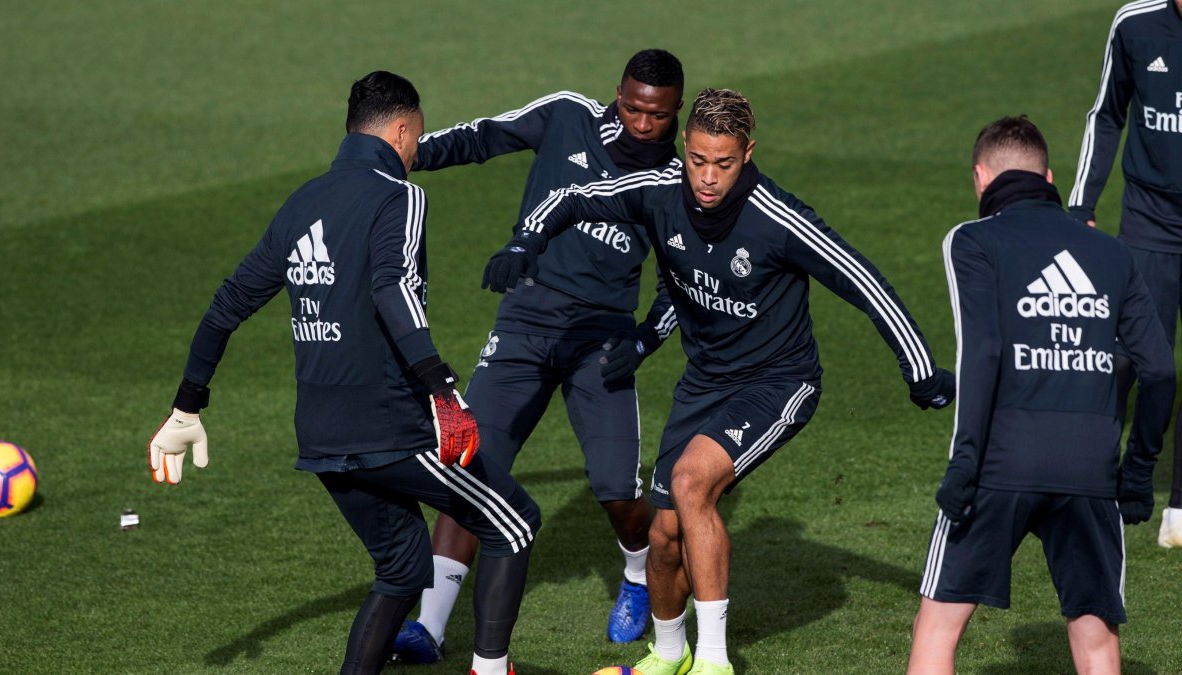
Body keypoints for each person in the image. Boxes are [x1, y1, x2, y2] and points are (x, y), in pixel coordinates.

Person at [481, 88, 955, 675]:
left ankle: (712, 662)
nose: (707, 177)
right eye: (698, 160)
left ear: (748, 153)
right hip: (703, 384)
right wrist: (525, 241)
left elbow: (863, 281)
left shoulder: (779, 219)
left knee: (690, 482)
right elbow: (574, 198)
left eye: (723, 163)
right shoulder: (659, 191)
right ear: (684, 146)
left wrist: (921, 369)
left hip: (776, 383)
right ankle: (669, 654)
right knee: (662, 538)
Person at [145, 70, 540, 675]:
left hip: (322, 437)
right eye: (417, 138)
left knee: (405, 568)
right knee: (512, 525)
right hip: (393, 427)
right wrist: (443, 388)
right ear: (403, 130)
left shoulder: (303, 201)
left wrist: (186, 407)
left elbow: (228, 304)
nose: (415, 152)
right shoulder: (398, 195)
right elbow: (391, 288)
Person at [391, 49, 684, 661]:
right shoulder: (567, 115)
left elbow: (679, 286)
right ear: (618, 94)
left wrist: (642, 340)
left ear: (675, 111)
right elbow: (482, 138)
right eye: (631, 108)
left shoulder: (677, 186)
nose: (641, 123)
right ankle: (431, 626)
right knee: (473, 462)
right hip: (525, 322)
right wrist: (404, 155)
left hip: (601, 340)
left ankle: (635, 573)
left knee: (614, 489)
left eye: (656, 115)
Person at [908, 116, 1175, 675]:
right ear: (1050, 176)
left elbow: (982, 354)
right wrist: (1136, 470)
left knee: (937, 630)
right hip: (1090, 473)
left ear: (981, 179)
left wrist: (964, 465)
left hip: (1000, 466)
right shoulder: (1113, 254)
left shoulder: (973, 240)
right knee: (1096, 640)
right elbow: (1160, 372)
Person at [1069, 0, 1182, 547]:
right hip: (1149, 221)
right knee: (1130, 355)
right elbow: (1107, 113)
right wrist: (1080, 205)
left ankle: (1179, 505)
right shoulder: (1134, 23)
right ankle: (1094, 475)